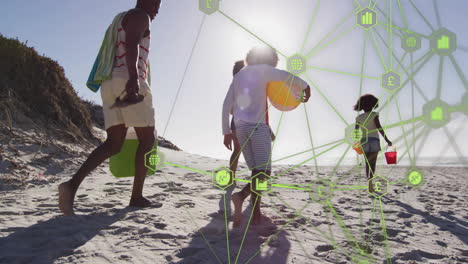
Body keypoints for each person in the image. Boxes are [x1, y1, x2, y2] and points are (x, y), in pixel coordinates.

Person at [59, 0, 162, 216]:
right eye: (154, 1)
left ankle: (71, 186)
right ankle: (136, 197)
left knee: (114, 143)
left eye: (159, 3)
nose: (157, 7)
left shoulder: (122, 18)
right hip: (127, 79)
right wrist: (134, 77)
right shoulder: (140, 15)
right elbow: (132, 44)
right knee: (148, 138)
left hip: (110, 82)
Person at [222, 46, 311, 227]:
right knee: (265, 172)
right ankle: (240, 196)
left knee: (256, 170)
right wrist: (306, 87)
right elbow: (287, 76)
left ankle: (256, 212)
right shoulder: (264, 70)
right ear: (269, 60)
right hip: (257, 126)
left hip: (240, 127)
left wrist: (226, 132)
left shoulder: (239, 76)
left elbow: (226, 104)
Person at [354, 94, 392, 193]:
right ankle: (371, 180)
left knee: (367, 163)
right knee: (373, 163)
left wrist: (356, 142)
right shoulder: (374, 115)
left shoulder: (359, 118)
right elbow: (379, 128)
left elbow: (356, 132)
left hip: (364, 141)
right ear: (372, 105)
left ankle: (369, 182)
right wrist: (387, 140)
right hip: (374, 140)